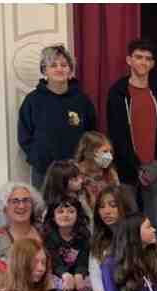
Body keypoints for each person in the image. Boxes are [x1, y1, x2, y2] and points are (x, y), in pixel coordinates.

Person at [107, 38, 157, 240]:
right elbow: (117, 134)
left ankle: (155, 261)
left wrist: (156, 165)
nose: (143, 62)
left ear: (152, 64)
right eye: (138, 57)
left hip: (154, 170)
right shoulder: (117, 92)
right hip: (128, 171)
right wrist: (136, 167)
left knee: (154, 228)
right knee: (127, 226)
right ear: (129, 60)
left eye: (148, 58)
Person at [18, 44, 96, 189]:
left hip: (75, 171)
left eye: (64, 65)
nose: (59, 69)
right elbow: (24, 136)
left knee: (75, 204)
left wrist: (83, 162)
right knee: (43, 204)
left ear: (70, 69)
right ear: (44, 70)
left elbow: (91, 134)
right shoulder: (33, 100)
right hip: (44, 172)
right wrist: (38, 159)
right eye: (53, 65)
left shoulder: (81, 100)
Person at [43, 196, 91, 291]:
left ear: (78, 215)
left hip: (78, 277)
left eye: (71, 211)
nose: (65, 215)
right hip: (57, 276)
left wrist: (79, 274)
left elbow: (84, 259)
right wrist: (65, 274)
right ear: (53, 217)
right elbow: (53, 261)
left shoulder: (84, 236)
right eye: (60, 211)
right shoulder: (48, 236)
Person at [0, 182, 45, 275]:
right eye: (15, 201)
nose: (21, 206)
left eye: (26, 200)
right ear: (5, 207)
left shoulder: (46, 232)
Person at [74, 131, 121, 215]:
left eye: (110, 151)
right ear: (89, 152)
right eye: (105, 151)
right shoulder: (74, 172)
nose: (109, 156)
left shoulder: (111, 173)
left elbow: (118, 198)